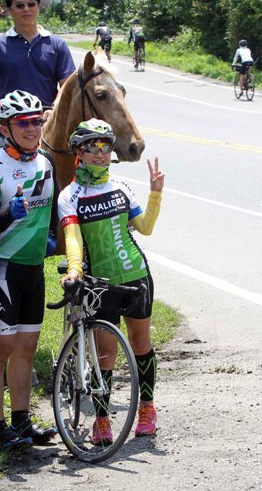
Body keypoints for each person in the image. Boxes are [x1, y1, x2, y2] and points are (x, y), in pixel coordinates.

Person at [58, 119, 165, 444]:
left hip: (135, 276)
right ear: (80, 152)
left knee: (141, 344)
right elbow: (73, 238)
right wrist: (74, 269)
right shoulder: (70, 195)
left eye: (106, 146)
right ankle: (102, 420)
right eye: (93, 147)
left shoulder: (120, 187)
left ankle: (147, 408)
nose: (101, 153)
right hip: (99, 283)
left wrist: (155, 194)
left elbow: (144, 227)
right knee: (105, 354)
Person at [0, 90, 59, 450]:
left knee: (27, 346)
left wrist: (53, 235)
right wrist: (9, 214)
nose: (32, 128)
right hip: (1, 269)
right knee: (0, 348)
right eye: (23, 123)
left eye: (37, 121)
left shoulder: (45, 163)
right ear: (6, 128)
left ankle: (22, 421)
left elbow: (52, 207)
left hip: (32, 268)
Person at [0, 0, 76, 159]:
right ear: (10, 10)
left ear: (38, 7)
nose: (26, 9)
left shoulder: (58, 45)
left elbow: (67, 87)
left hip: (47, 120)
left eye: (31, 4)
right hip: (11, 122)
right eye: (19, 5)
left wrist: (53, 110)